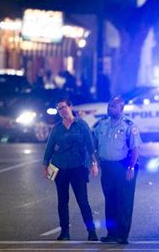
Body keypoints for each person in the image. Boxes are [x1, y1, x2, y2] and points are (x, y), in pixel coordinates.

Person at [43, 98, 99, 241]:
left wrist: (94, 164)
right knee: (62, 201)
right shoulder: (56, 128)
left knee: (82, 200)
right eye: (59, 109)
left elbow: (90, 146)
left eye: (63, 107)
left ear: (70, 107)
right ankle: (64, 232)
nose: (62, 111)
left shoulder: (81, 125)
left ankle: (91, 232)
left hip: (78, 167)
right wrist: (45, 165)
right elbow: (49, 147)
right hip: (59, 167)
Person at [93, 96, 142, 244]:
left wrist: (131, 167)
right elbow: (94, 142)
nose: (109, 109)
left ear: (121, 109)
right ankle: (111, 234)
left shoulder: (129, 125)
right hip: (107, 167)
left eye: (113, 107)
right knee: (110, 201)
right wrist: (96, 159)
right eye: (109, 106)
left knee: (124, 202)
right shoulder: (102, 124)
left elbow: (135, 149)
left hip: (123, 167)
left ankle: (122, 235)